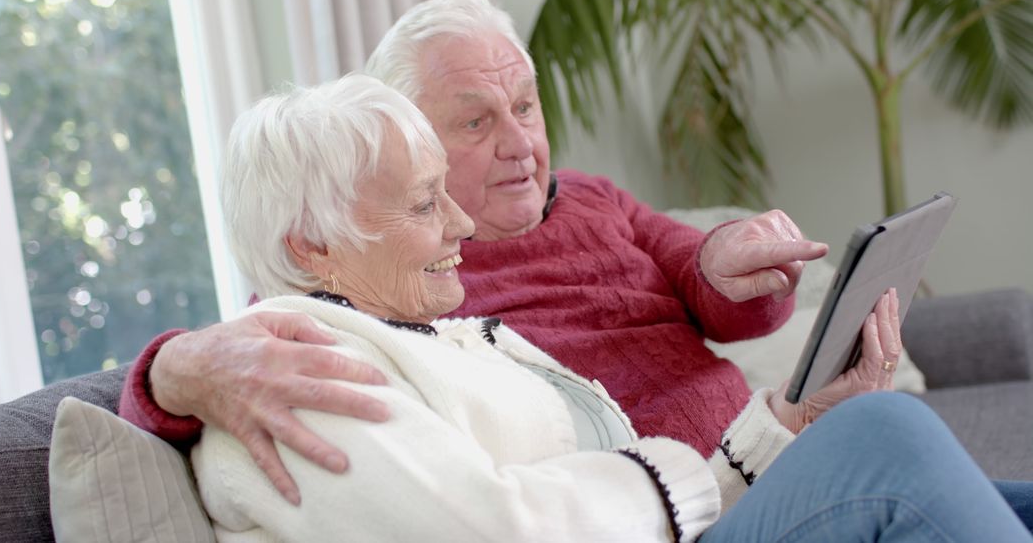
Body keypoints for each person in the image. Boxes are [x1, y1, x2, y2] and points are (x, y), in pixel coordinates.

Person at [190, 74, 1031, 542]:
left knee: (996, 493)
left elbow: (673, 500)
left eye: (446, 195)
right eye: (422, 206)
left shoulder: (450, 335)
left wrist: (789, 417)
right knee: (889, 440)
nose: (458, 224)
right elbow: (502, 533)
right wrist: (675, 476)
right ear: (310, 246)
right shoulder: (294, 367)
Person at [118, 0, 829, 501]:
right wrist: (170, 369)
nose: (520, 143)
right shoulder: (392, 266)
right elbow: (264, 328)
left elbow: (718, 289)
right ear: (409, 138)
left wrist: (734, 258)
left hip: (760, 459)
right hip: (677, 502)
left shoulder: (591, 197)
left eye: (524, 107)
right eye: (476, 123)